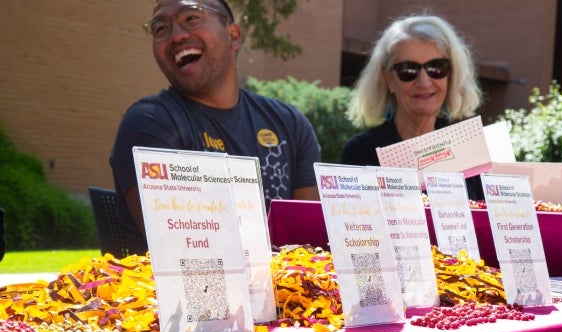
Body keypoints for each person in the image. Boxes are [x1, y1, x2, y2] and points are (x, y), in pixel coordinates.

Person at [110, 0, 321, 255]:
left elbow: (308, 253)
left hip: (286, 292)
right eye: (161, 28)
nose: (176, 35)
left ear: (233, 36)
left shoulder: (290, 125)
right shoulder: (150, 124)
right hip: (182, 293)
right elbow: (185, 253)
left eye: (191, 18)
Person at [340, 14, 484, 199]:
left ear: (451, 75)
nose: (424, 82)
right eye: (408, 70)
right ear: (388, 79)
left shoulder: (467, 150)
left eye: (436, 67)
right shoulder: (361, 153)